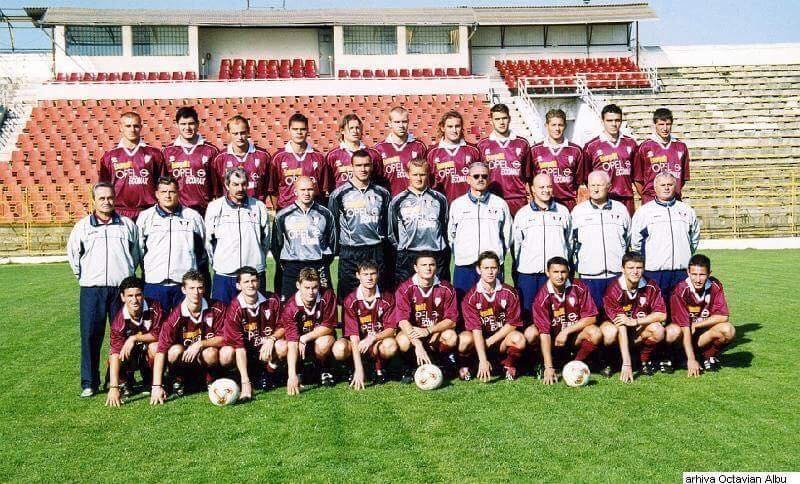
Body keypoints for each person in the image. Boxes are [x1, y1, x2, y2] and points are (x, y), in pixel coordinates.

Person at [67, 182, 140, 397]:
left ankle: (120, 380)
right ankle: (89, 382)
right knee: (91, 335)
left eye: (110, 197)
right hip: (92, 290)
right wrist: (87, 277)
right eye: (101, 198)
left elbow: (136, 253)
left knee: (123, 335)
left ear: (115, 198)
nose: (106, 202)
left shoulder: (127, 225)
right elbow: (74, 256)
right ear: (94, 201)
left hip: (120, 290)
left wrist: (125, 274)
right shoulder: (82, 227)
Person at [149, 270, 227, 404]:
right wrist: (156, 386)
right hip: (183, 358)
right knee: (174, 351)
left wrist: (200, 344)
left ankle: (211, 380)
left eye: (199, 288)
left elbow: (226, 337)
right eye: (191, 288)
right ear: (183, 290)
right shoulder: (175, 316)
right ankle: (177, 379)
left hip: (204, 356)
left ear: (204, 288)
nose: (196, 292)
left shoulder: (218, 307)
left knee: (212, 352)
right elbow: (161, 351)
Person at [136, 176, 206, 313]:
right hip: (155, 283)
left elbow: (201, 250)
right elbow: (138, 250)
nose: (167, 196)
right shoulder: (145, 217)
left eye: (172, 192)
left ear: (178, 193)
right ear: (157, 194)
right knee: (155, 325)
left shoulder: (192, 216)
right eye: (163, 192)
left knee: (185, 325)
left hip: (184, 284)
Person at [328, 150, 392, 298]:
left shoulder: (382, 193)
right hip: (350, 251)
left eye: (366, 165)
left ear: (372, 167)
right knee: (348, 297)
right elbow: (333, 227)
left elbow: (387, 225)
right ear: (352, 167)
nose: (363, 169)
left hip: (375, 250)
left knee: (378, 294)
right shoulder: (338, 194)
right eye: (358, 165)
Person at [630, 172, 700, 304]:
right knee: (656, 311)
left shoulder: (687, 211)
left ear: (676, 186)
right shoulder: (644, 212)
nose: (666, 188)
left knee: (680, 311)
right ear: (655, 187)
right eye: (662, 185)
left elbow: (694, 239)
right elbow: (636, 243)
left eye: (670, 184)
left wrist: (684, 255)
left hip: (681, 272)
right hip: (655, 273)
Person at [204, 167, 272, 304]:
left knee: (255, 314)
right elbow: (208, 242)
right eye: (235, 184)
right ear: (227, 185)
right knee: (222, 314)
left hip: (253, 274)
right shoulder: (215, 207)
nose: (240, 188)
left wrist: (257, 259)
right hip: (225, 275)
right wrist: (220, 262)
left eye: (243, 184)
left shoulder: (259, 206)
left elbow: (266, 239)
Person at [511, 173, 571, 327]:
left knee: (556, 316)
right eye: (541, 187)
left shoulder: (563, 212)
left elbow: (569, 241)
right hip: (529, 274)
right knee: (528, 316)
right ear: (533, 189)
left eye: (549, 186)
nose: (546, 190)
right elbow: (516, 245)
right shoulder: (523, 214)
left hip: (555, 275)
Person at [529, 257, 601, 385]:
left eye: (563, 272)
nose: (559, 276)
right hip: (552, 340)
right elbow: (544, 333)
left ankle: (575, 364)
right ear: (547, 273)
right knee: (530, 333)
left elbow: (591, 317)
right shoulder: (542, 297)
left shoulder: (578, 287)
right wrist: (549, 367)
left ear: (568, 272)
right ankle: (542, 363)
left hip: (572, 337)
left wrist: (566, 331)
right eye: (555, 272)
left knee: (595, 333)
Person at [447, 161, 512, 301]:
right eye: (476, 176)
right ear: (468, 179)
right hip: (465, 266)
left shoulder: (500, 204)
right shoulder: (457, 204)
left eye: (484, 176)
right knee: (463, 304)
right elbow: (451, 235)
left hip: (491, 267)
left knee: (494, 305)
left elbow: (507, 235)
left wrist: (497, 255)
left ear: (489, 178)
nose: (480, 179)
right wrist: (462, 252)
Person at [458, 251, 526, 382]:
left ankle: (508, 365)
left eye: (493, 268)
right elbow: (476, 329)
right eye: (486, 268)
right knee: (464, 339)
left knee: (519, 339)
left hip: (500, 340)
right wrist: (483, 359)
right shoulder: (471, 297)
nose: (490, 272)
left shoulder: (509, 292)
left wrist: (490, 341)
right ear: (479, 270)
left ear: (499, 269)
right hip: (479, 342)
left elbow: (513, 323)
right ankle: (468, 365)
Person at [219, 266, 283, 400]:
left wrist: (272, 339)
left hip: (265, 349)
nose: (251, 285)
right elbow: (239, 346)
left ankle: (269, 374)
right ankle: (239, 378)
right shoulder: (234, 308)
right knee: (226, 353)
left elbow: (284, 326)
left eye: (254, 281)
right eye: (246, 282)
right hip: (245, 352)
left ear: (258, 282)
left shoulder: (272, 299)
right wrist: (245, 383)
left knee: (282, 346)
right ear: (238, 285)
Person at [332, 260, 398, 389]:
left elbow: (391, 329)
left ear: (378, 274)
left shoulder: (388, 298)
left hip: (377, 342)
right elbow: (354, 336)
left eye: (373, 273)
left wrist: (372, 338)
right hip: (357, 343)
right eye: (365, 274)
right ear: (358, 275)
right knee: (339, 349)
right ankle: (353, 368)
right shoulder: (350, 300)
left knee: (390, 345)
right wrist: (359, 369)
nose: (369, 278)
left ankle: (380, 367)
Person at [571, 170, 631, 312]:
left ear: (609, 187)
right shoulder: (578, 211)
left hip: (616, 275)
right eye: (592, 185)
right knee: (592, 318)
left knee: (617, 317)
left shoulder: (621, 209)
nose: (596, 189)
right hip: (589, 276)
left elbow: (628, 238)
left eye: (600, 185)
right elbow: (571, 242)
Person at [601, 252, 667, 382]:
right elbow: (621, 325)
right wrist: (627, 363)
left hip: (635, 330)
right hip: (616, 330)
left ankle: (643, 360)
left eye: (639, 268)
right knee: (610, 332)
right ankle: (610, 361)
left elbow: (662, 314)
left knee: (658, 330)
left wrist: (636, 321)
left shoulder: (651, 285)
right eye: (630, 268)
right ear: (622, 269)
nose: (635, 272)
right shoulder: (614, 289)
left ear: (644, 268)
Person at [393, 252, 459, 382]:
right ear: (416, 268)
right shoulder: (404, 288)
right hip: (414, 333)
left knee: (451, 336)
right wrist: (417, 344)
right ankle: (410, 366)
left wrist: (429, 330)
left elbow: (452, 321)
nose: (428, 268)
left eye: (431, 265)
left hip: (435, 331)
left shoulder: (446, 288)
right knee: (402, 340)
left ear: (436, 267)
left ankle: (441, 362)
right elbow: (402, 321)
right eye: (424, 265)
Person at [668, 254, 736, 376]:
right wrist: (691, 359)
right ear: (688, 272)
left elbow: (723, 316)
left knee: (728, 330)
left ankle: (707, 356)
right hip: (683, 335)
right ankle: (678, 356)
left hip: (701, 335)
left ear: (709, 273)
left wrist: (696, 325)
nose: (698, 279)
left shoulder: (715, 285)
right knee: (672, 332)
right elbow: (685, 327)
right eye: (694, 274)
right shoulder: (680, 290)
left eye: (702, 275)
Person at [273, 176, 337, 300]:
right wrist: (286, 263)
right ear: (295, 191)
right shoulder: (283, 215)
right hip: (292, 266)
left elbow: (332, 242)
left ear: (314, 190)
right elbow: (276, 245)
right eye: (302, 190)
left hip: (318, 265)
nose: (306, 193)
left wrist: (323, 261)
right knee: (289, 304)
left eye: (310, 189)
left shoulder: (325, 214)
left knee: (325, 302)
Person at [388, 159, 450, 282]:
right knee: (407, 290)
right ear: (408, 175)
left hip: (435, 253)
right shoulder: (398, 201)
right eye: (415, 174)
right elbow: (392, 232)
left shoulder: (440, 199)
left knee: (438, 289)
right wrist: (404, 247)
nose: (418, 178)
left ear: (428, 175)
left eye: (422, 174)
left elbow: (445, 226)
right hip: (408, 255)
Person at [105, 276, 164, 406]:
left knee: (156, 347)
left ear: (143, 295)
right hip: (131, 356)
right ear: (123, 297)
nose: (134, 300)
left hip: (147, 352)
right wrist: (113, 387)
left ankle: (152, 381)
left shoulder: (155, 307)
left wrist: (134, 338)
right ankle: (123, 383)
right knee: (115, 355)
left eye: (138, 295)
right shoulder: (118, 321)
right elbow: (114, 353)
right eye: (130, 296)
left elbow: (160, 334)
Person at [98, 111, 164, 220]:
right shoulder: (109, 157)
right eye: (128, 126)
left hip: (149, 211)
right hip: (118, 211)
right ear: (121, 127)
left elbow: (162, 184)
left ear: (141, 127)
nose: (132, 129)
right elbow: (103, 188)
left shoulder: (155, 154)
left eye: (136, 126)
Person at [278, 268, 338, 388]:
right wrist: (291, 375)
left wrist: (304, 338)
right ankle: (297, 369)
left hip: (317, 339)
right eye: (306, 287)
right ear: (298, 285)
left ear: (319, 285)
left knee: (324, 342)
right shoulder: (290, 307)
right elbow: (292, 341)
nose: (311, 292)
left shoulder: (327, 296)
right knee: (281, 346)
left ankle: (324, 369)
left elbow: (328, 326)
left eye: (314, 287)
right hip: (298, 344)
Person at [162, 106, 219, 215]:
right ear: (177, 125)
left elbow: (217, 186)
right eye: (183, 124)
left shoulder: (211, 150)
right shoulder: (167, 152)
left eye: (191, 123)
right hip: (176, 210)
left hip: (204, 210)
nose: (187, 127)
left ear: (197, 124)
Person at [582, 104, 638, 216]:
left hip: (626, 198)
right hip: (603, 199)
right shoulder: (591, 146)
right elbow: (587, 177)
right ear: (602, 121)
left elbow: (636, 175)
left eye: (617, 120)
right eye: (609, 120)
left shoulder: (631, 143)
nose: (614, 124)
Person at [477, 103, 530, 216]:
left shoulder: (522, 143)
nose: (501, 122)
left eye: (504, 118)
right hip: (491, 199)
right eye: (497, 119)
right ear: (491, 121)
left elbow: (528, 176)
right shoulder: (482, 145)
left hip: (518, 199)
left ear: (509, 119)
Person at [210, 115, 276, 207]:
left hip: (255, 208)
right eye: (235, 133)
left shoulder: (263, 156)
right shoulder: (220, 159)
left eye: (242, 133)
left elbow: (271, 188)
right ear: (229, 133)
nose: (239, 137)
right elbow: (217, 192)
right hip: (229, 210)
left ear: (248, 131)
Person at [271, 112, 331, 210]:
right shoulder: (278, 157)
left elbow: (323, 190)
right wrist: (279, 211)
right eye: (295, 129)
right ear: (289, 130)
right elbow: (273, 190)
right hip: (287, 211)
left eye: (302, 129)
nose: (299, 132)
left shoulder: (319, 157)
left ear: (307, 130)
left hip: (312, 211)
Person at [528, 109, 584, 211]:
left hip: (569, 203)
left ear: (565, 126)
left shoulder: (576, 150)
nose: (557, 129)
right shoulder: (535, 150)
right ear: (546, 126)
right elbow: (530, 180)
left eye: (560, 125)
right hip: (543, 203)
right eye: (553, 125)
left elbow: (579, 182)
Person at [633, 108, 691, 205]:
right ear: (655, 124)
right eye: (661, 124)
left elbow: (683, 178)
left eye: (668, 124)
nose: (665, 128)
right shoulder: (645, 147)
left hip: (674, 200)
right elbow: (637, 179)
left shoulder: (681, 146)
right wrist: (646, 197)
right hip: (651, 201)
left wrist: (671, 192)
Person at [374, 106, 429, 196]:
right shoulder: (379, 148)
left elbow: (426, 176)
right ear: (390, 123)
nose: (401, 126)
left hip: (413, 199)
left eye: (404, 122)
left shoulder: (419, 146)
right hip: (388, 199)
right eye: (397, 122)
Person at [428, 110, 481, 202]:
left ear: (461, 127)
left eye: (457, 126)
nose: (454, 130)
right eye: (450, 126)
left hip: (469, 204)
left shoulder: (473, 150)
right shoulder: (431, 153)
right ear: (442, 128)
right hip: (442, 204)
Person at [326, 113, 383, 191]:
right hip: (342, 197)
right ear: (342, 131)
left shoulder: (373, 154)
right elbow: (329, 185)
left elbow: (380, 181)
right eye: (351, 128)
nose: (355, 131)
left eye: (357, 128)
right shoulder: (332, 156)